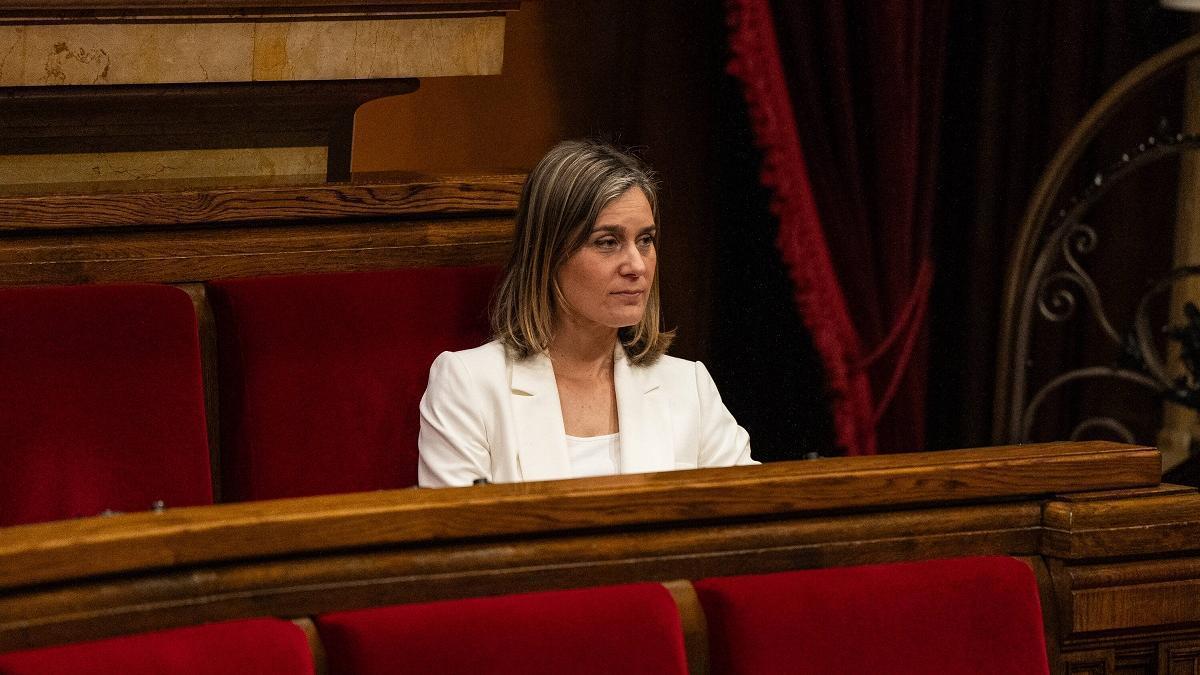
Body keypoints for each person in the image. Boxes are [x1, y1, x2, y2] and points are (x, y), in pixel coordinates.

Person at [418, 140, 754, 487]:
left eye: (645, 240)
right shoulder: (468, 385)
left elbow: (754, 515)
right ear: (548, 255)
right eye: (608, 242)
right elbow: (458, 535)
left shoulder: (688, 386)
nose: (637, 266)